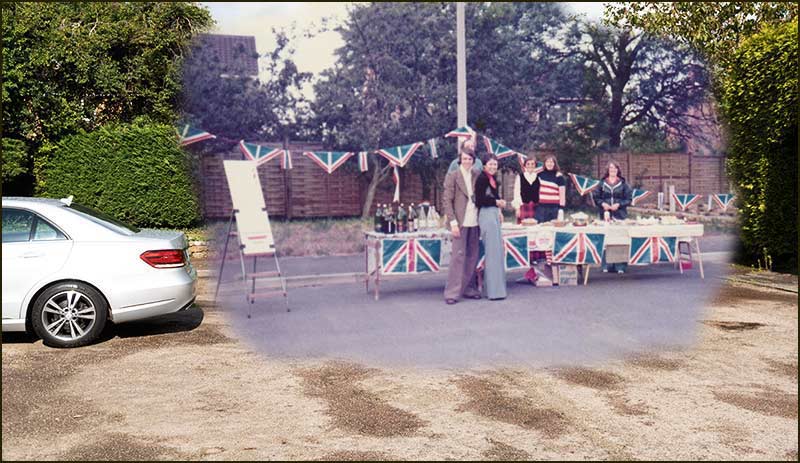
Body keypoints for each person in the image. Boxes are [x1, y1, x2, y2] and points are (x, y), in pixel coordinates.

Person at [442, 140, 482, 304]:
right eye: (464, 159)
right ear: (460, 160)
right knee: (458, 258)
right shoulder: (453, 176)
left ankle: (469, 288)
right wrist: (453, 223)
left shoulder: (477, 175)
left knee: (472, 256)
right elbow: (447, 201)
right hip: (460, 222)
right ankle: (452, 293)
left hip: (475, 221)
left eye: (470, 159)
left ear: (473, 160)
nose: (467, 161)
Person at [474, 155, 507, 300]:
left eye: (495, 164)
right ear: (485, 166)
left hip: (493, 213)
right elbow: (479, 200)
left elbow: (495, 197)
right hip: (486, 215)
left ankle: (498, 289)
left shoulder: (493, 179)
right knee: (492, 252)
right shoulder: (481, 179)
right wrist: (496, 202)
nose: (493, 167)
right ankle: (493, 291)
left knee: (497, 252)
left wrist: (499, 210)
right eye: (490, 164)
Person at [593, 160, 632, 273]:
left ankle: (620, 266)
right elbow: (596, 197)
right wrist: (602, 204)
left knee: (620, 239)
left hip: (620, 214)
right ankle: (606, 265)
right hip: (605, 214)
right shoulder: (602, 183)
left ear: (618, 170)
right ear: (608, 170)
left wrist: (619, 204)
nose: (613, 170)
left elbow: (629, 199)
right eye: (610, 168)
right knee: (606, 239)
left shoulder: (624, 184)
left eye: (615, 168)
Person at [534, 154, 566, 223]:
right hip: (541, 208)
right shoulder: (539, 175)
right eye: (547, 162)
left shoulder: (559, 176)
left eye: (551, 162)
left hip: (554, 208)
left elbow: (562, 195)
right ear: (544, 163)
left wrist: (561, 208)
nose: (549, 164)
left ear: (555, 164)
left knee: (553, 228)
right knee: (540, 227)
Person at [512, 155, 539, 224]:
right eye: (528, 164)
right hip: (523, 207)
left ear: (535, 165)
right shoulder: (520, 177)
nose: (530, 166)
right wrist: (517, 208)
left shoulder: (539, 177)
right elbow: (516, 193)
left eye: (532, 164)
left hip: (536, 208)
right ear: (525, 165)